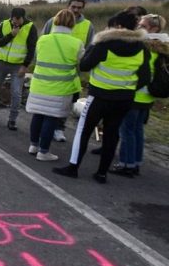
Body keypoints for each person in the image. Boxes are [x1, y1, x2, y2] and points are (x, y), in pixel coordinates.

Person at [52, 10, 150, 183]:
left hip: (99, 96)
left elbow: (84, 65)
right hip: (124, 99)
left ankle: (73, 167)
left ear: (118, 26)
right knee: (112, 135)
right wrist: (127, 88)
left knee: (84, 132)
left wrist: (94, 43)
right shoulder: (141, 47)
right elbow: (145, 77)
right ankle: (102, 173)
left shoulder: (105, 44)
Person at [110, 14, 169, 177]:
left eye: (142, 25)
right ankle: (135, 162)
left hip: (135, 94)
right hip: (148, 96)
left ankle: (126, 164)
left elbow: (139, 70)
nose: (138, 28)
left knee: (126, 131)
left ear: (153, 28)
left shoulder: (144, 46)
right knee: (137, 130)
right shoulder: (162, 45)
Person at [25, 9, 84, 161]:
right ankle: (44, 151)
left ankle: (33, 145)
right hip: (60, 87)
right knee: (51, 118)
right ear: (73, 23)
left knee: (37, 115)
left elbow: (38, 58)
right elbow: (81, 64)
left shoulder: (43, 39)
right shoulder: (76, 43)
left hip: (39, 84)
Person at [42, 0, 95, 142]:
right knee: (49, 101)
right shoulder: (52, 22)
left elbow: (90, 48)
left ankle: (59, 128)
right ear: (68, 6)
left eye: (79, 7)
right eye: (74, 7)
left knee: (67, 102)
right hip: (50, 70)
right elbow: (42, 42)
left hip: (72, 72)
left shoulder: (88, 26)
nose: (76, 10)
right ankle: (45, 127)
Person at [0, 7, 38, 130]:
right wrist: (11, 35)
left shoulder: (30, 27)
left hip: (18, 66)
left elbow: (32, 50)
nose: (14, 22)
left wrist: (25, 66)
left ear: (22, 18)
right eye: (12, 20)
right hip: (2, 63)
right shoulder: (4, 24)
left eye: (17, 20)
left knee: (16, 93)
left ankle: (12, 120)